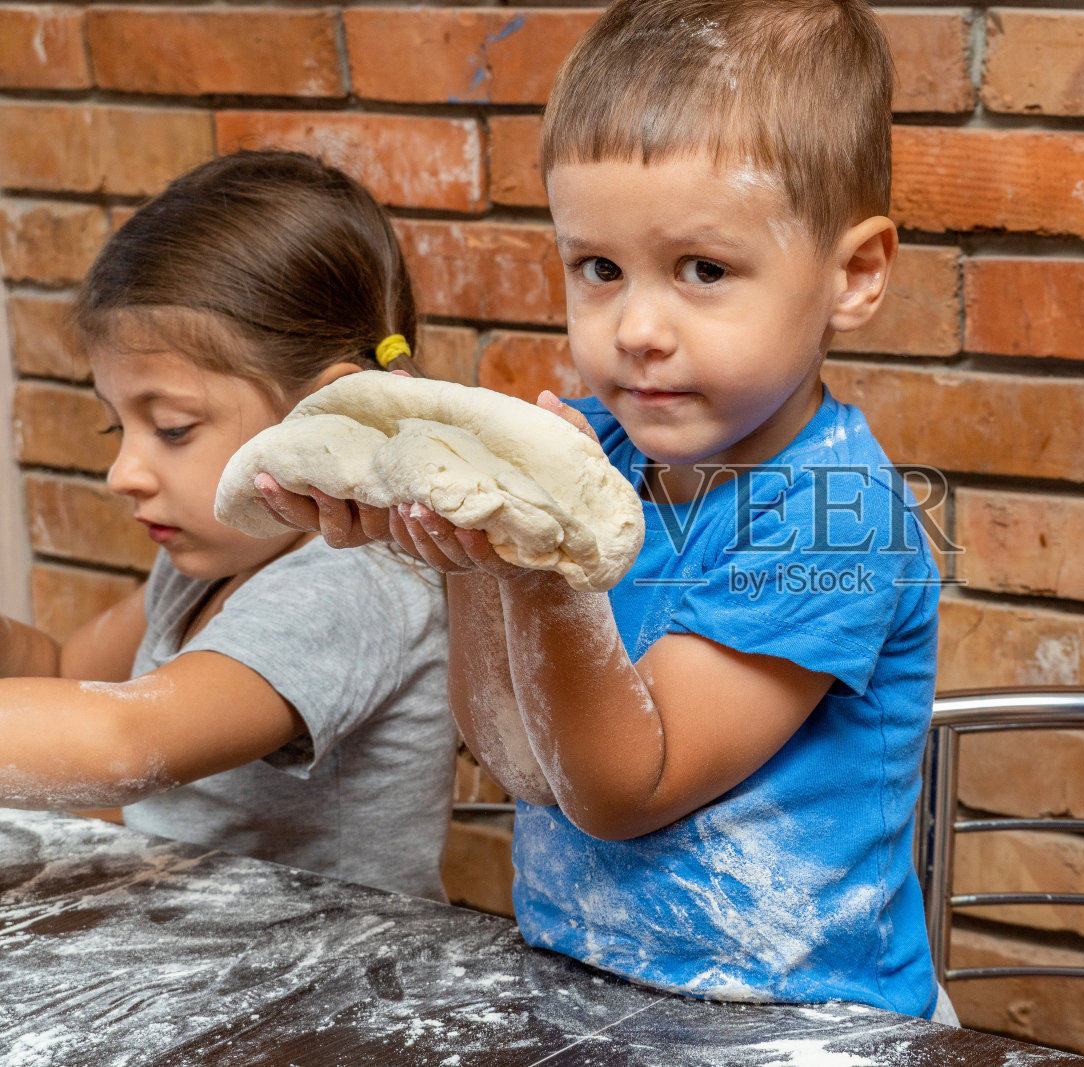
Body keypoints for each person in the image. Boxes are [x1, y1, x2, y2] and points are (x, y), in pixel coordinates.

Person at [260, 0, 953, 1021]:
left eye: (703, 271)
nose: (636, 328)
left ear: (853, 273)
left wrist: (538, 570)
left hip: (804, 1022)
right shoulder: (599, 450)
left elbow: (625, 790)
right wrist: (470, 558)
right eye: (599, 267)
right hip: (591, 996)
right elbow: (515, 755)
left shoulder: (832, 519)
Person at [0, 150, 458, 901]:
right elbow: (60, 673)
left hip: (331, 993)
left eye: (172, 428)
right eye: (116, 428)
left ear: (331, 416)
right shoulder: (207, 561)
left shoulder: (355, 581)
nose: (124, 473)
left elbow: (130, 740)